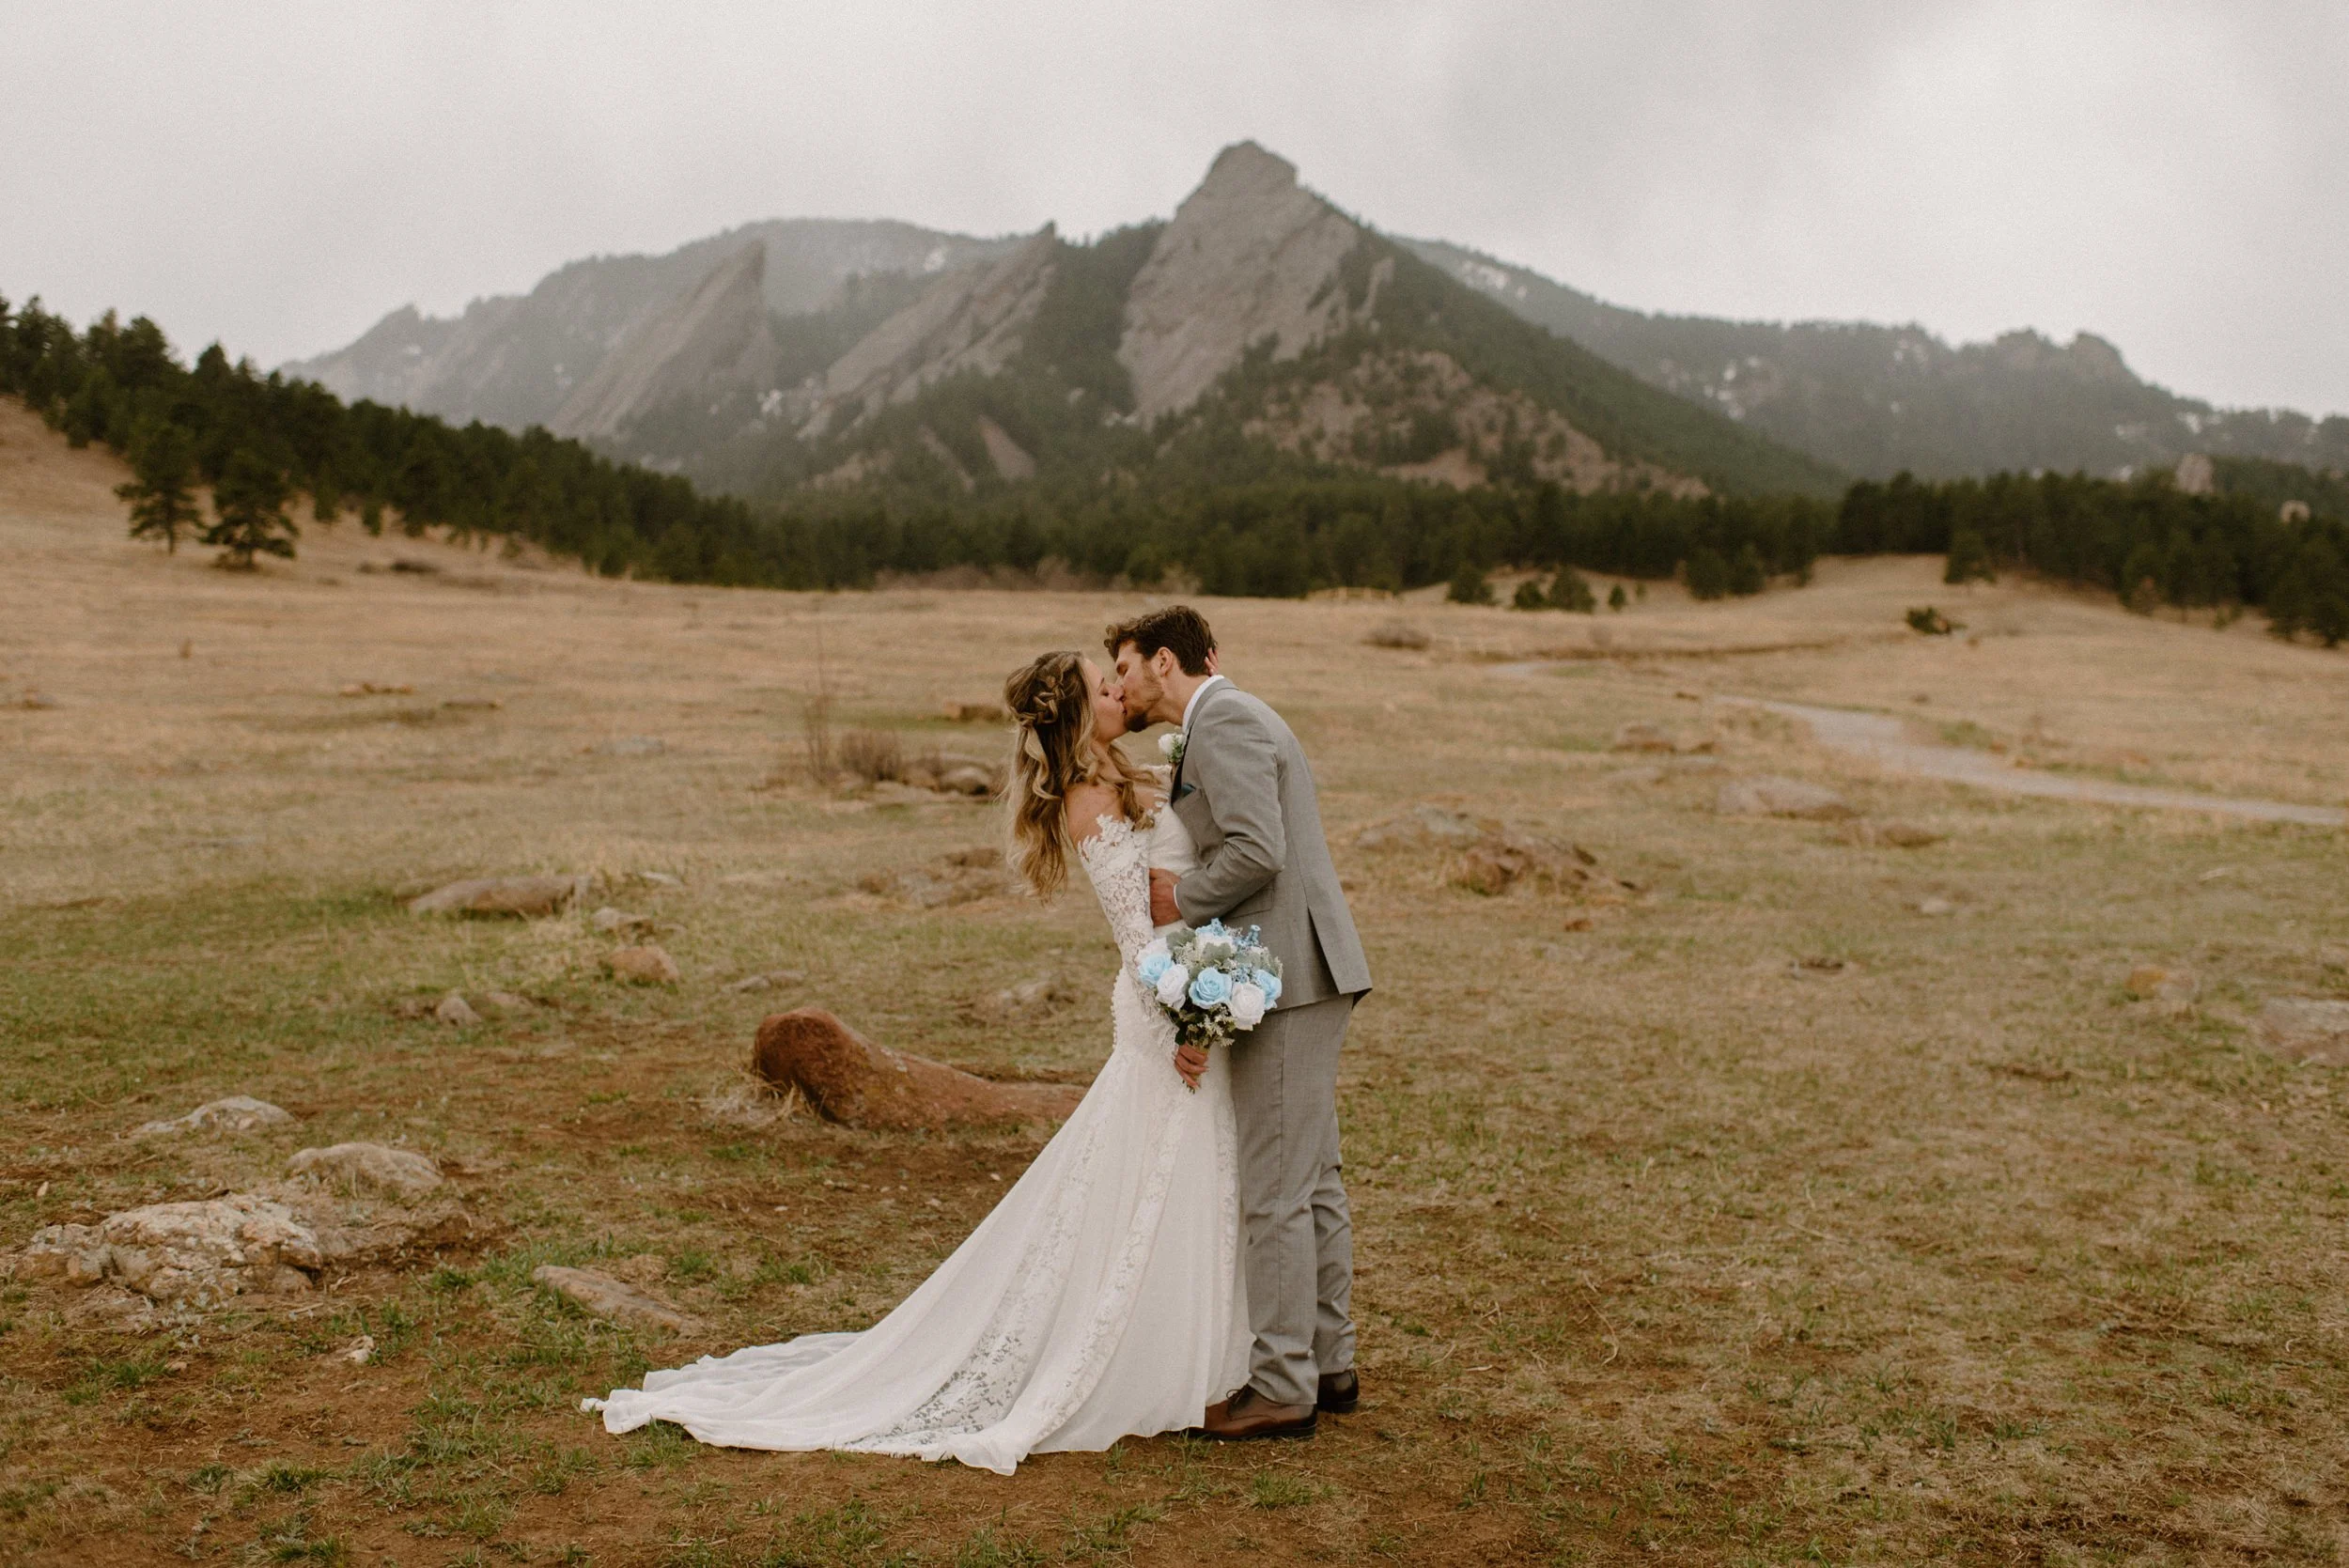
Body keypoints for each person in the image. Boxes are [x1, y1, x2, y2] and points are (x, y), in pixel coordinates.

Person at [583, 647, 1250, 1473]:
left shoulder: (1124, 774)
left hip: (1179, 994)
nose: (1122, 690)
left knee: (1179, 1174)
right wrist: (1190, 1014)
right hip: (1163, 1008)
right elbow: (1135, 934)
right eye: (1105, 685)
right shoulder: (1089, 799)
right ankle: (1159, 1361)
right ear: (1078, 717)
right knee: (1156, 1178)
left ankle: (1206, 1350)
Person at [1108, 605, 1373, 1442]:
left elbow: (1259, 849)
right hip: (1308, 966)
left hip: (1290, 978)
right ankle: (1330, 1362)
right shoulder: (1226, 717)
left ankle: (1285, 1385)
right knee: (1313, 1175)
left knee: (1276, 1188)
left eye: (1124, 669)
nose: (1119, 686)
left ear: (1161, 661)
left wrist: (1180, 899)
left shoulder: (1220, 723)